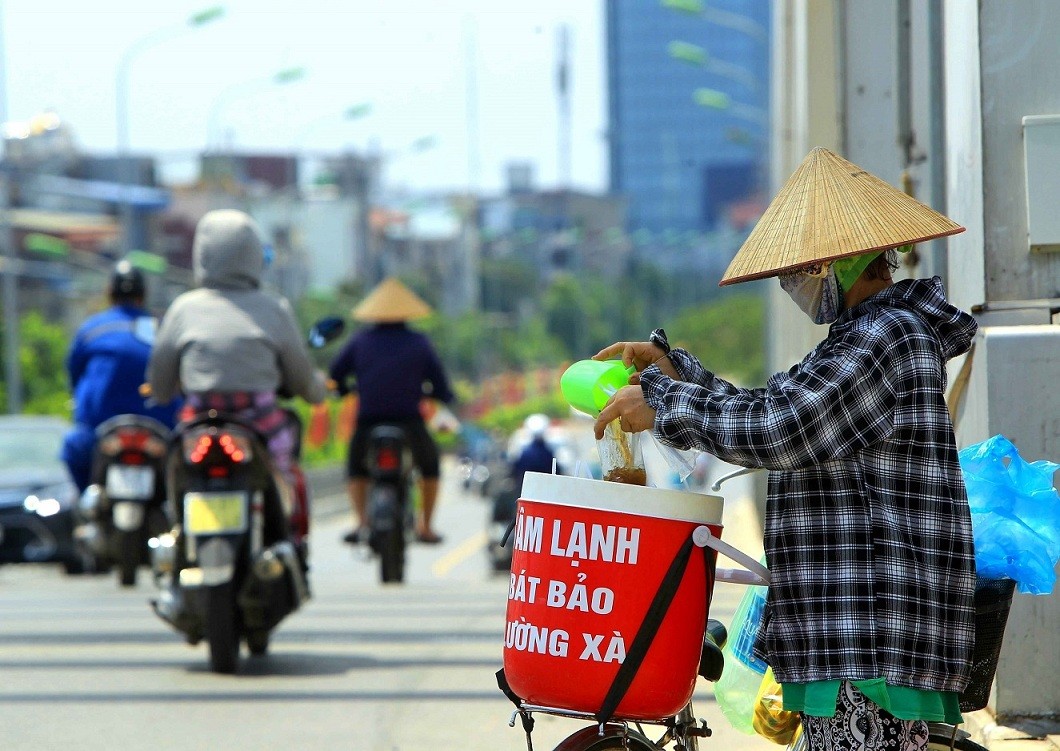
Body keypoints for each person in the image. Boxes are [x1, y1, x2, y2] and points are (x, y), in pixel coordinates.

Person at [593, 148, 977, 751]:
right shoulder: (858, 338)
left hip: (868, 632)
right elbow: (774, 406)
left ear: (840, 266)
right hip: (850, 629)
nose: (793, 286)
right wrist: (677, 373)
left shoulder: (885, 338)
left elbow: (782, 428)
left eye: (801, 272)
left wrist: (666, 402)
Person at [147, 209, 327, 538]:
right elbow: (302, 379)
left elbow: (159, 383)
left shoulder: (183, 309)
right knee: (286, 480)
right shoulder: (274, 308)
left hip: (196, 427)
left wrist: (163, 390)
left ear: (201, 254)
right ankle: (288, 543)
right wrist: (317, 390)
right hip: (261, 426)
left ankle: (176, 533)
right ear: (254, 255)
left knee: (173, 473)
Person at [328, 277, 455, 545]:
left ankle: (361, 522)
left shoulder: (359, 341)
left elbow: (335, 376)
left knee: (355, 467)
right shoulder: (419, 342)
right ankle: (426, 527)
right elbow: (440, 385)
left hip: (369, 420)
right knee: (430, 465)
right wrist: (442, 395)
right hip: (409, 420)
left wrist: (344, 389)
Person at [61, 261, 179, 491]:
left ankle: (88, 501)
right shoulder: (160, 328)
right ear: (143, 295)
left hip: (99, 431)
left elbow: (75, 377)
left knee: (73, 449)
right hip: (161, 429)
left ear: (109, 293)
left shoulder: (91, 328)